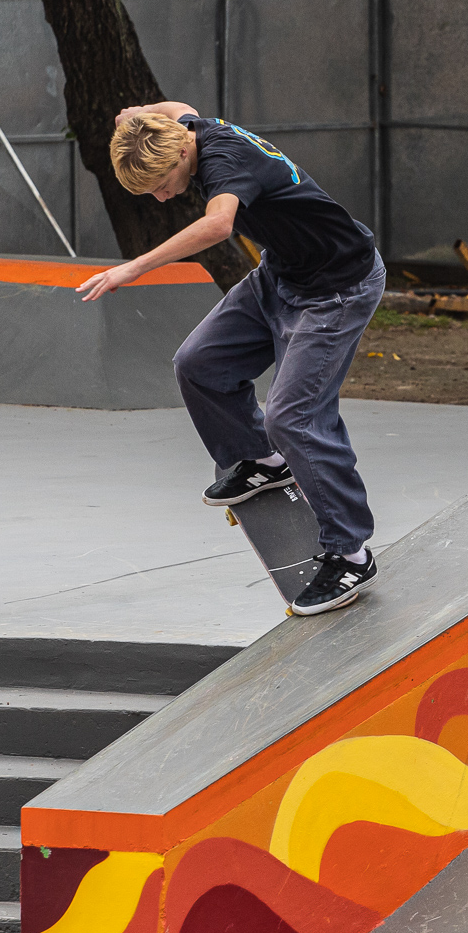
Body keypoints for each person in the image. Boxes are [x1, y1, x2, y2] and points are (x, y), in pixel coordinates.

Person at [77, 101, 385, 615]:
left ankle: (351, 553)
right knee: (197, 364)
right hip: (283, 275)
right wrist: (130, 117)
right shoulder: (181, 126)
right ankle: (261, 459)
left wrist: (135, 267)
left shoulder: (225, 163)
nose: (160, 195)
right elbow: (170, 106)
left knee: (295, 417)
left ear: (180, 154)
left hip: (338, 289)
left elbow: (219, 226)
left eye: (160, 184)